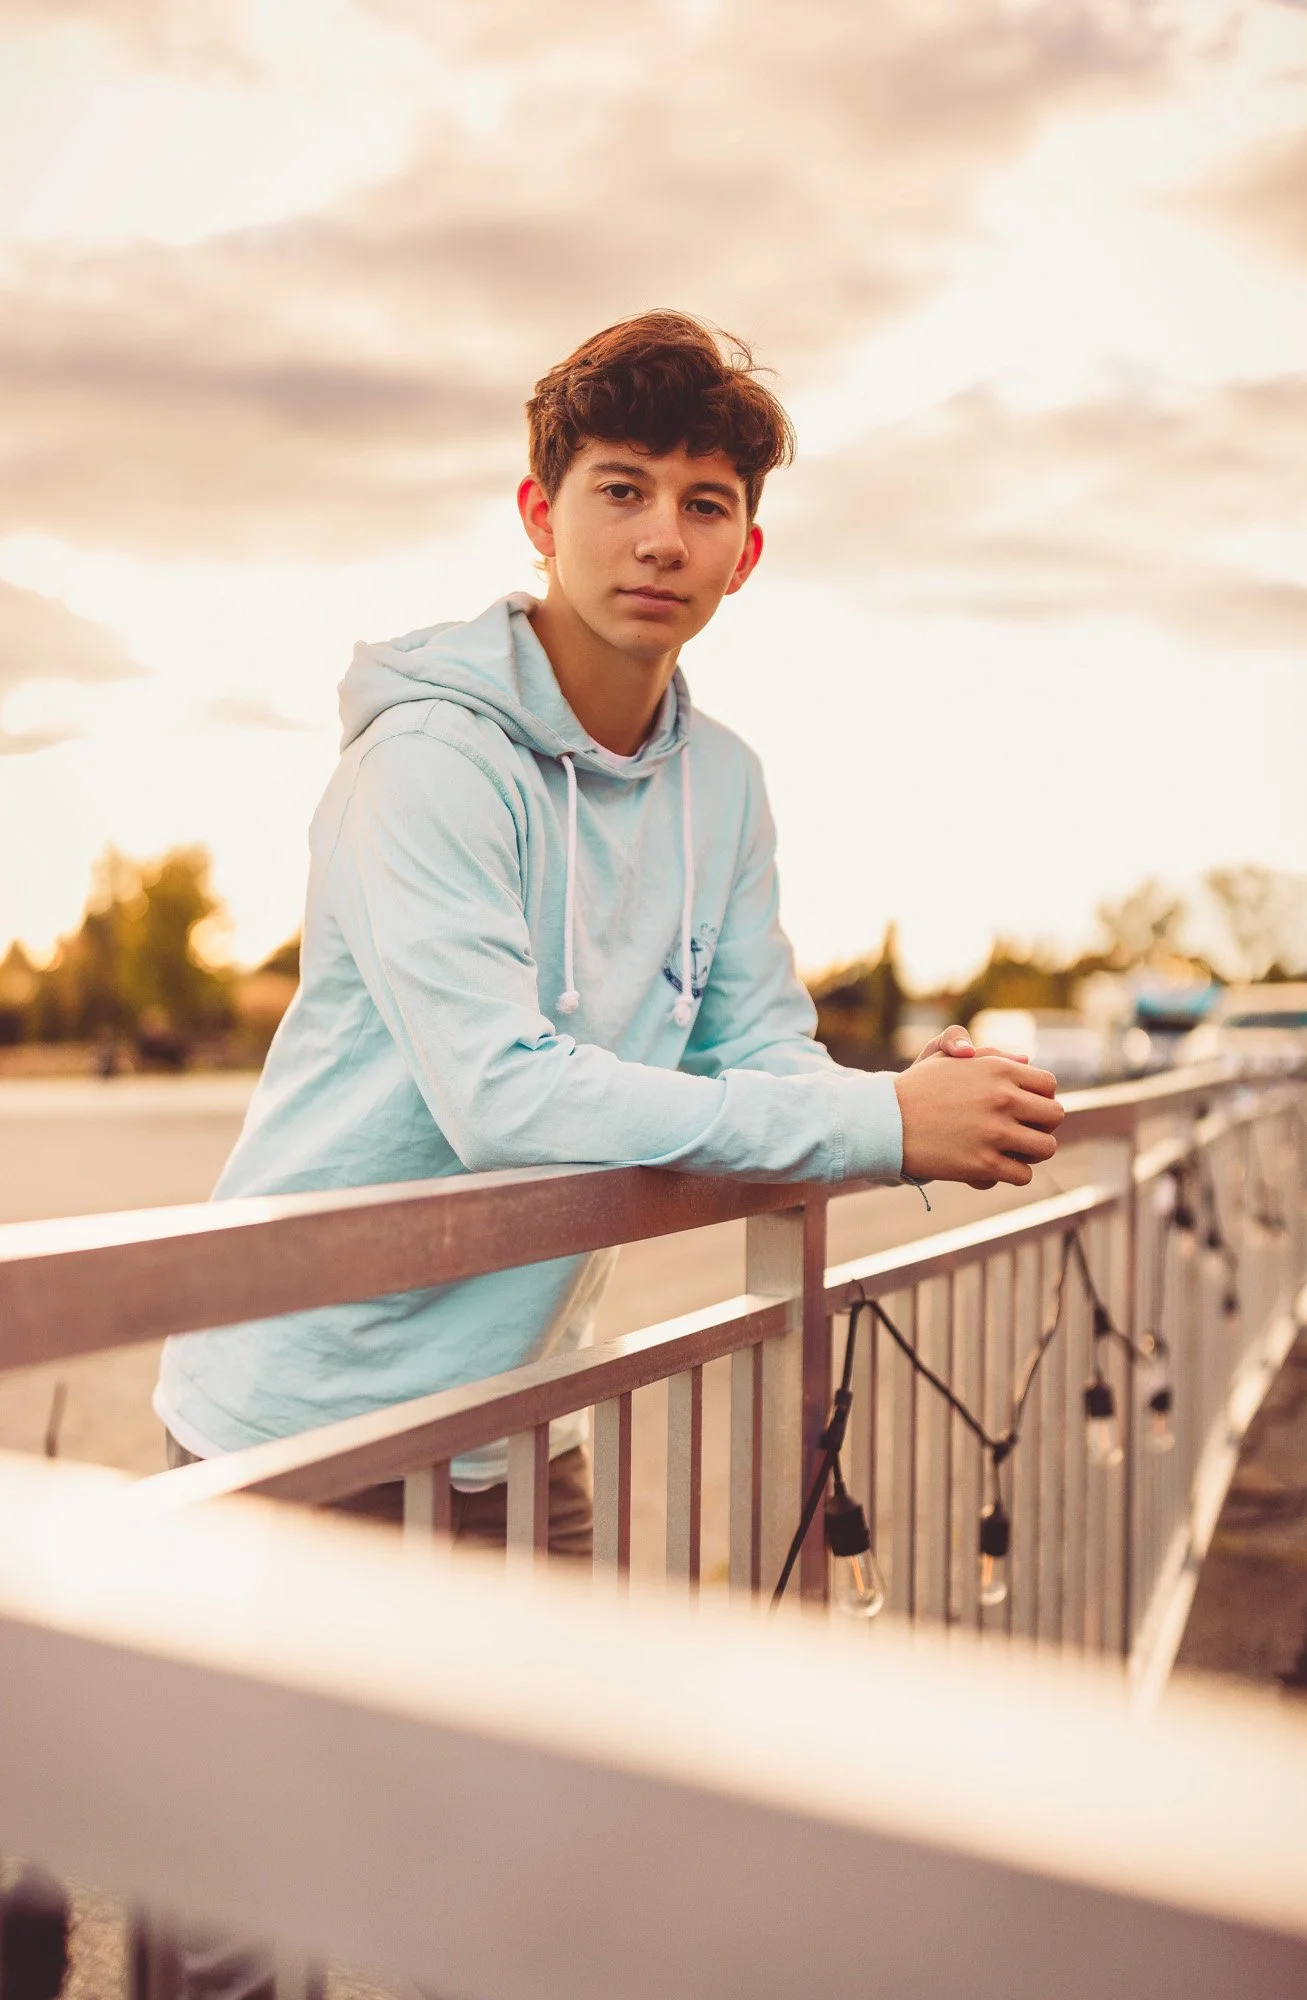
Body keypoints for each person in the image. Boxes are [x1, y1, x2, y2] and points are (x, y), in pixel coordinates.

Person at [153, 310, 1063, 1554]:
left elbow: (756, 1043)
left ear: (743, 553)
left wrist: (900, 1094)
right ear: (538, 514)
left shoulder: (723, 782)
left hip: (522, 1419)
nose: (658, 537)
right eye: (621, 490)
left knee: (539, 1756)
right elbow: (500, 1096)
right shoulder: (429, 760)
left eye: (702, 504)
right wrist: (878, 1125)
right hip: (306, 1419)